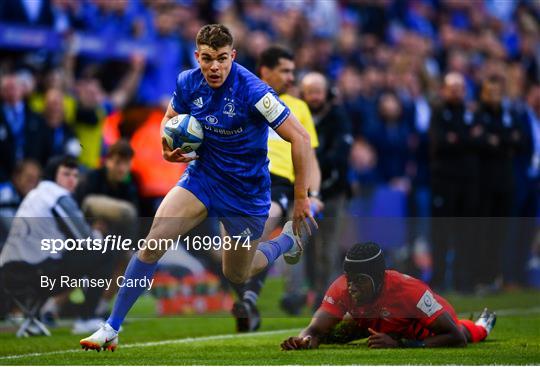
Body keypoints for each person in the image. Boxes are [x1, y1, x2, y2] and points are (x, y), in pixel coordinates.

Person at [81, 24, 315, 351]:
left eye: (221, 58)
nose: (214, 66)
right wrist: (166, 146)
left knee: (237, 273)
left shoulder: (254, 90)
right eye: (207, 59)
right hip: (202, 177)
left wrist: (301, 198)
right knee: (153, 242)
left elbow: (300, 138)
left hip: (245, 192)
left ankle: (286, 241)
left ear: (232, 56)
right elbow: (169, 118)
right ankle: (111, 327)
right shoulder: (188, 82)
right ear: (197, 57)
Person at [231, 45, 321, 332]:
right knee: (230, 253)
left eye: (293, 71)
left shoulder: (300, 107)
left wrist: (313, 195)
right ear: (265, 71)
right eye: (285, 71)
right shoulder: (243, 98)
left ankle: (248, 299)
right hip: (240, 178)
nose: (292, 78)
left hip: (277, 180)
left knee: (259, 225)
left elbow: (311, 157)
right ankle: (248, 299)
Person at [281, 242, 497, 350]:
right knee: (331, 335)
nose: (352, 287)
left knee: (460, 330)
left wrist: (400, 343)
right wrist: (304, 340)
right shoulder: (342, 288)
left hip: (413, 325)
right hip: (376, 319)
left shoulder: (411, 292)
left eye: (360, 280)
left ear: (379, 278)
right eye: (349, 278)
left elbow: (455, 337)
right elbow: (314, 329)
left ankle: (481, 326)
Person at [0, 155, 115, 334]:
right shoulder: (57, 196)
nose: (71, 180)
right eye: (66, 174)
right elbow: (85, 240)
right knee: (108, 250)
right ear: (53, 175)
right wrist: (98, 233)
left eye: (75, 176)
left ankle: (37, 318)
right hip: (34, 273)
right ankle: (88, 317)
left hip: (8, 273)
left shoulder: (35, 194)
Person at [300, 72, 353, 308]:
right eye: (309, 92)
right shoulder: (299, 114)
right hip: (303, 191)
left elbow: (340, 154)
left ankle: (326, 296)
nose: (313, 97)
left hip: (332, 191)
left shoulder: (338, 117)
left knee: (327, 247)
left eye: (317, 91)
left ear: (326, 92)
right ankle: (300, 293)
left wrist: (313, 161)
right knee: (300, 246)